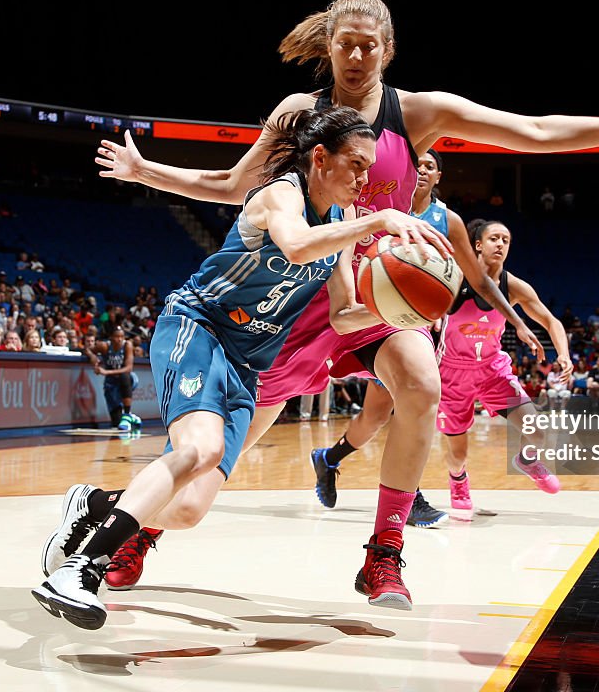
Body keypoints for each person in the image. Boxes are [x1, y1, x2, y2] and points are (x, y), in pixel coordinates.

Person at [92, 0, 599, 603]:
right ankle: (139, 530)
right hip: (300, 298)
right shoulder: (301, 112)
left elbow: (533, 131)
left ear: (388, 49)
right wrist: (146, 172)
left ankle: (384, 553)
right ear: (328, 47)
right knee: (220, 459)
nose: (355, 56)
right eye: (344, 44)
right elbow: (232, 184)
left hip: (380, 297)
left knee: (421, 386)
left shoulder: (418, 113)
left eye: (368, 45)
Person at [34, 106, 450, 629]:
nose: (367, 179)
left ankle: (93, 504)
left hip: (245, 363)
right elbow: (296, 246)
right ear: (320, 158)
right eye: (356, 165)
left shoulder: (342, 221)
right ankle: (79, 569)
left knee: (186, 511)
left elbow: (343, 317)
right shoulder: (281, 193)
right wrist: (382, 219)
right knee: (199, 450)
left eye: (370, 169)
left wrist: (401, 308)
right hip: (199, 326)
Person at [304, 149, 544, 526]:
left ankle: (398, 494)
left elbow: (479, 280)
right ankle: (330, 459)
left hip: (411, 325)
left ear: (438, 177)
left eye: (430, 167)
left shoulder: (446, 220)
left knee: (406, 402)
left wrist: (516, 322)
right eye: (416, 165)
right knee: (374, 416)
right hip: (369, 311)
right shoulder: (380, 204)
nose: (421, 171)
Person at [435, 219, 569, 511]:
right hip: (452, 372)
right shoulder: (456, 278)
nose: (500, 244)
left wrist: (564, 354)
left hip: (492, 370)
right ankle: (458, 481)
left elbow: (551, 321)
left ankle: (527, 460)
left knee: (537, 429)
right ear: (478, 245)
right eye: (494, 238)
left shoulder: (514, 286)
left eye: (506, 240)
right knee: (458, 453)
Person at [84, 326, 141, 434]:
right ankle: (132, 418)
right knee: (116, 423)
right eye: (117, 336)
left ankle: (127, 413)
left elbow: (129, 368)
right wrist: (92, 356)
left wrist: (106, 372)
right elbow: (87, 349)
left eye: (122, 337)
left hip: (128, 379)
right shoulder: (104, 346)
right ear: (110, 337)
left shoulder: (127, 345)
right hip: (111, 382)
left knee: (125, 376)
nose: (119, 339)